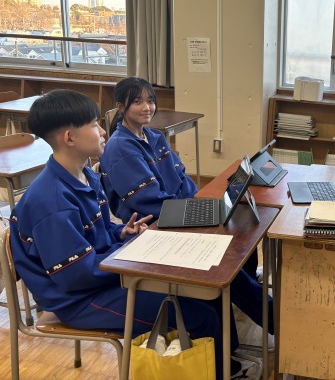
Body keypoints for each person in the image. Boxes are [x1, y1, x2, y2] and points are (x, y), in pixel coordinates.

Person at [9, 90, 262, 378]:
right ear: (69, 138)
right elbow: (75, 276)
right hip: (80, 300)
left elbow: (100, 232)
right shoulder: (51, 202)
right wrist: (134, 255)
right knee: (198, 316)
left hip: (105, 276)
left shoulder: (85, 175)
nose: (102, 131)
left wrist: (121, 233)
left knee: (208, 292)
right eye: (94, 125)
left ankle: (225, 365)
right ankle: (217, 369)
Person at [100, 77, 260, 277]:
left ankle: (251, 279)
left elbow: (181, 176)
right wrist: (190, 213)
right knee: (220, 249)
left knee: (241, 223)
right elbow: (147, 200)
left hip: (176, 209)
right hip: (154, 222)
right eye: (137, 102)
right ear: (120, 106)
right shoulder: (120, 148)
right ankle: (248, 291)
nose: (147, 107)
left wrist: (196, 204)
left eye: (150, 101)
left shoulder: (154, 136)